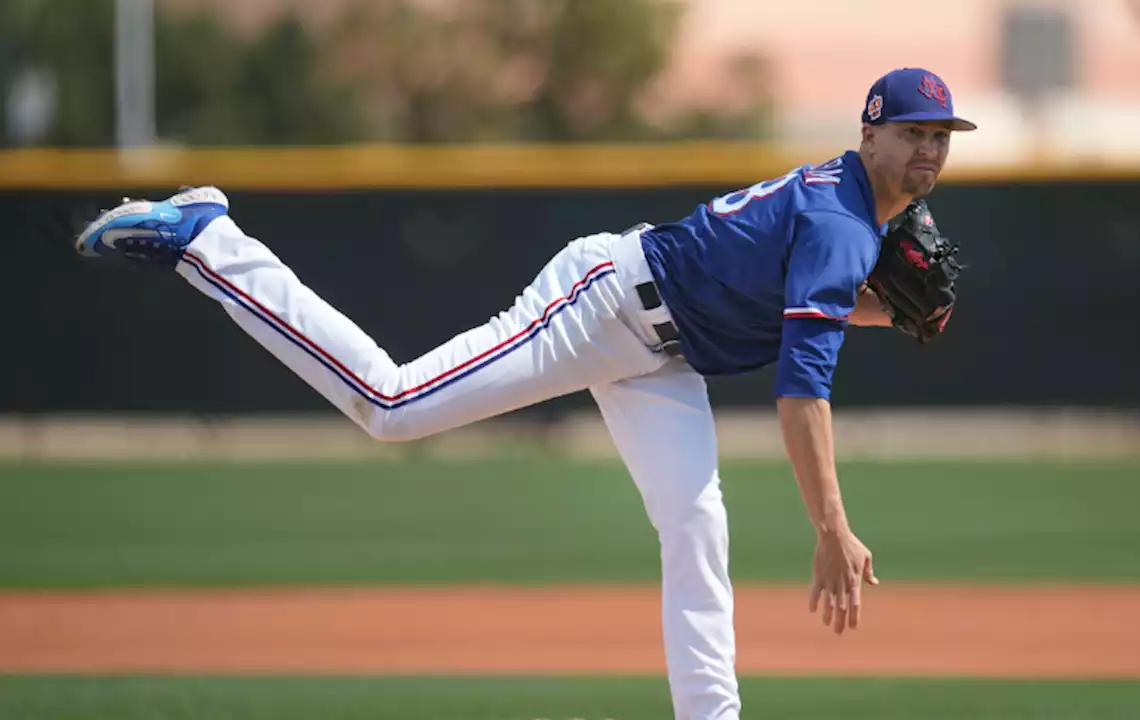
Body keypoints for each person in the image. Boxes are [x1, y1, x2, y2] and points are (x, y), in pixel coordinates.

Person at [75, 67, 975, 720]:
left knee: (696, 524)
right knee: (393, 406)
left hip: (665, 354)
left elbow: (791, 301)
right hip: (605, 303)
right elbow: (801, 391)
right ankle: (211, 241)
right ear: (870, 133)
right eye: (913, 132)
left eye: (941, 136)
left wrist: (883, 315)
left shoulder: (849, 209)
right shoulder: (839, 222)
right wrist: (831, 526)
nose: (929, 148)